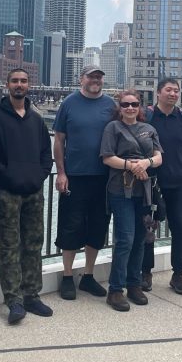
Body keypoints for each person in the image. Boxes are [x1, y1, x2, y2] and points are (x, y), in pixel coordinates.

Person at [0, 68, 54, 324]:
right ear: (7, 85)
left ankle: (32, 295)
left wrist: (40, 176)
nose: (19, 85)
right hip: (5, 192)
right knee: (8, 245)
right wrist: (7, 177)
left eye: (23, 81)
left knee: (34, 243)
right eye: (15, 81)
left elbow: (45, 154)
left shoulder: (36, 119)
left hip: (34, 191)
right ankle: (13, 300)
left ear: (29, 85)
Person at [53, 65, 114, 300]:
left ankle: (88, 276)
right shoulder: (69, 103)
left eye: (99, 76)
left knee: (98, 226)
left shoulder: (111, 105)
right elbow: (59, 140)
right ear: (82, 79)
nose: (95, 80)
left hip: (104, 177)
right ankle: (67, 276)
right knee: (70, 225)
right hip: (74, 176)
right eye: (91, 76)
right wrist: (61, 172)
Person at [100, 90, 163, 311]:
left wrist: (145, 163)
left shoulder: (149, 129)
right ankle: (115, 289)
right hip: (120, 190)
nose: (130, 108)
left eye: (134, 104)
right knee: (125, 239)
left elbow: (158, 157)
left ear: (140, 106)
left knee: (140, 239)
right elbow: (107, 157)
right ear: (120, 107)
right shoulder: (113, 128)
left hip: (143, 191)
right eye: (125, 104)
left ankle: (134, 284)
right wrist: (131, 166)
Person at [143, 78, 182, 295]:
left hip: (177, 183)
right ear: (158, 93)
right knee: (148, 227)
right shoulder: (148, 117)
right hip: (151, 183)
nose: (173, 94)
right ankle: (145, 271)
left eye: (176, 91)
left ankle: (178, 273)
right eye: (169, 90)